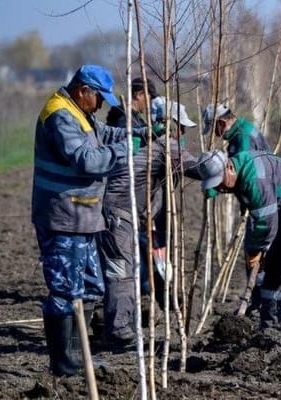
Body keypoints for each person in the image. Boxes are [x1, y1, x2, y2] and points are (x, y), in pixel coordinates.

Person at [32, 64, 149, 376]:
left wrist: (137, 134)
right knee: (64, 291)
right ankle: (64, 363)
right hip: (62, 218)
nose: (101, 105)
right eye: (99, 98)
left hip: (82, 217)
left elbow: (101, 134)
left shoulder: (79, 113)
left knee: (92, 287)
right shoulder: (60, 115)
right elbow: (87, 160)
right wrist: (127, 148)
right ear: (84, 91)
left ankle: (79, 353)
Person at [195, 149, 281, 339]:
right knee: (272, 270)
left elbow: (266, 223)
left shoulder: (255, 178)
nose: (220, 189)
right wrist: (259, 253)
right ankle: (267, 332)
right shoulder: (241, 173)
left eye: (219, 182)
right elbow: (259, 219)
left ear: (229, 167)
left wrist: (254, 251)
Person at [99, 96, 201, 347]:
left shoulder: (142, 139)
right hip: (119, 216)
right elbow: (198, 168)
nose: (184, 132)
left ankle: (115, 325)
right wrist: (229, 166)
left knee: (124, 271)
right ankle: (119, 332)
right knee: (122, 274)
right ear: (168, 123)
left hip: (114, 213)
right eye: (181, 126)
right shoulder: (164, 145)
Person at [97, 77, 160, 347]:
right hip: (121, 203)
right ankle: (118, 327)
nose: (150, 104)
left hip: (131, 203)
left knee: (132, 262)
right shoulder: (124, 121)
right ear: (138, 94)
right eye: (148, 98)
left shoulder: (133, 120)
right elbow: (129, 160)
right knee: (123, 267)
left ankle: (123, 318)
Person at [201, 103, 271, 155]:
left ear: (222, 123)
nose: (216, 135)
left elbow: (242, 170)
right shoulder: (241, 130)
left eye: (214, 129)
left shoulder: (243, 136)